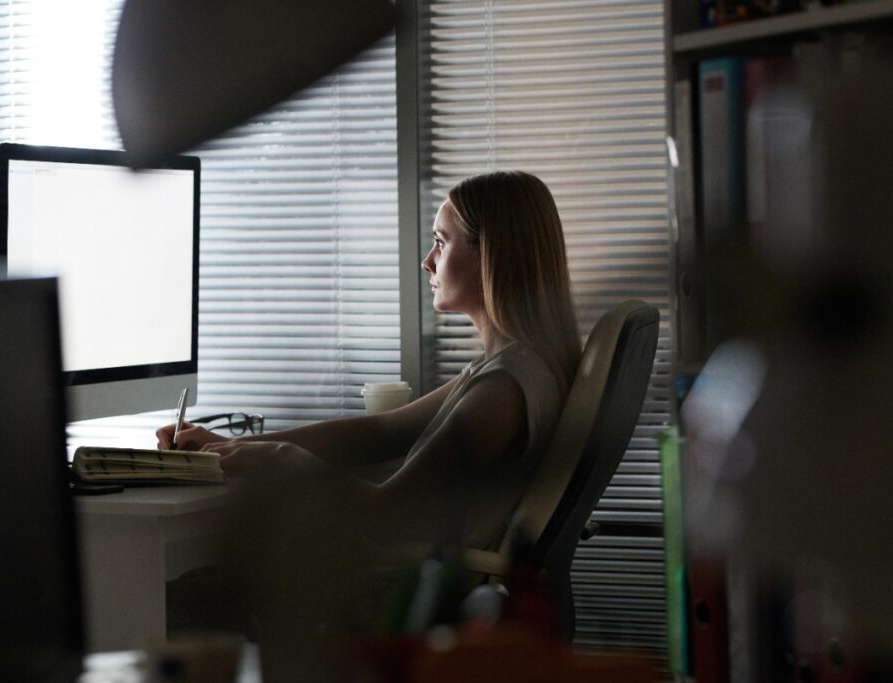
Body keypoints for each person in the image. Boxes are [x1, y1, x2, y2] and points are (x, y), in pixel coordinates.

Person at [157, 170, 581, 550]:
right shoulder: (508, 366)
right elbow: (382, 430)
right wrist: (224, 447)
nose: (427, 261)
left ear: (489, 255)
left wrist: (285, 458)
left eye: (440, 242)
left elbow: (389, 515)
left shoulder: (503, 391)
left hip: (412, 601)